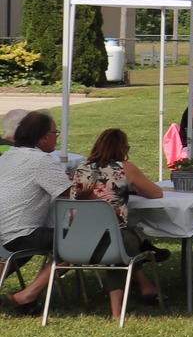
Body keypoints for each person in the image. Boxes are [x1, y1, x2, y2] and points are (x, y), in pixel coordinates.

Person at [9, 128, 167, 319]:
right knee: (126, 240)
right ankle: (121, 308)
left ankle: (145, 288)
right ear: (122, 148)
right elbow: (156, 193)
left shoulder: (82, 168)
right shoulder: (125, 168)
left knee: (125, 236)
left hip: (76, 241)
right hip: (110, 243)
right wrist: (133, 188)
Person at [1, 113, 84, 313]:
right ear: (43, 136)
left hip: (4, 230)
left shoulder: (8, 156)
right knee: (80, 242)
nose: (57, 136)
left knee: (24, 250)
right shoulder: (40, 161)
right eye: (55, 132)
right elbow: (72, 193)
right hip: (20, 231)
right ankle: (27, 295)